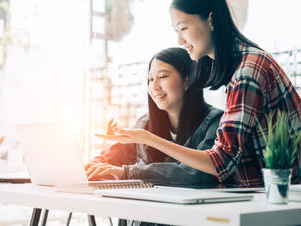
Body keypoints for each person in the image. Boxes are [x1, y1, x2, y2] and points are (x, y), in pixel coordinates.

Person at [96, 0, 301, 187]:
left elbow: (221, 161)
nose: (179, 40)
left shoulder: (248, 72)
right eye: (176, 30)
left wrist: (147, 138)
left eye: (183, 28)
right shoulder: (241, 68)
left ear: (210, 20)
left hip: (281, 205)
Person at [86, 47, 223, 186]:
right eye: (150, 79)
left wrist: (128, 172)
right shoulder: (145, 124)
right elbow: (111, 156)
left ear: (187, 81)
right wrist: (93, 167)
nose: (154, 86)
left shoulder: (215, 122)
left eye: (163, 77)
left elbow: (198, 173)